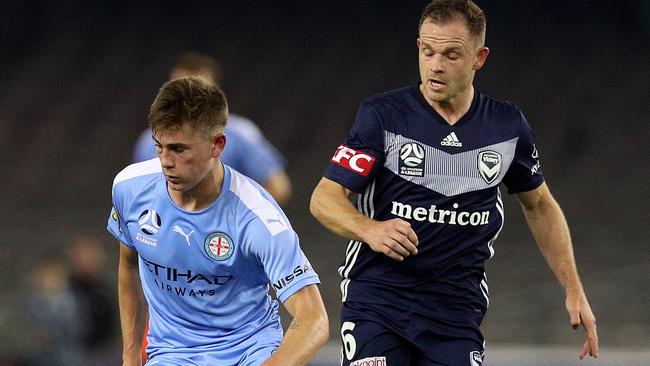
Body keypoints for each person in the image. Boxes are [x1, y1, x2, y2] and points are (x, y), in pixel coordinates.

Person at [309, 1, 598, 365]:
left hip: (455, 312)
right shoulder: (382, 116)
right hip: (379, 301)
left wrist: (573, 288)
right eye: (428, 51)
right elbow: (324, 197)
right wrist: (369, 229)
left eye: (451, 54)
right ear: (418, 48)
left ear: (479, 57)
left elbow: (540, 205)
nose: (436, 65)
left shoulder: (506, 127)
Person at [109, 77, 328, 366]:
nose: (165, 161)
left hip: (250, 351)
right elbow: (128, 265)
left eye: (179, 149)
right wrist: (131, 356)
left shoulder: (258, 217)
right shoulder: (130, 188)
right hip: (173, 354)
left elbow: (314, 319)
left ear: (217, 144)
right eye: (159, 146)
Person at [132, 52, 292, 205]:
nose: (185, 98)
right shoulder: (149, 140)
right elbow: (142, 192)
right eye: (178, 89)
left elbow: (278, 187)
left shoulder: (240, 134)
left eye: (195, 90)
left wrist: (235, 217)